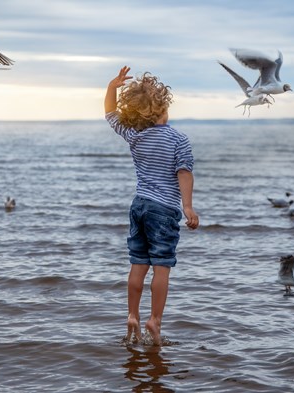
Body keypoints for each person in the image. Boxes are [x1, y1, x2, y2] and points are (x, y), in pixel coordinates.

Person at [104, 66, 199, 346]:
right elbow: (184, 173)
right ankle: (154, 320)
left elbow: (110, 113)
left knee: (137, 265)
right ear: (162, 108)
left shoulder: (134, 135)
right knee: (162, 268)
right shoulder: (179, 139)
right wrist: (188, 208)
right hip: (164, 210)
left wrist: (112, 87)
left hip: (139, 206)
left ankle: (132, 315)